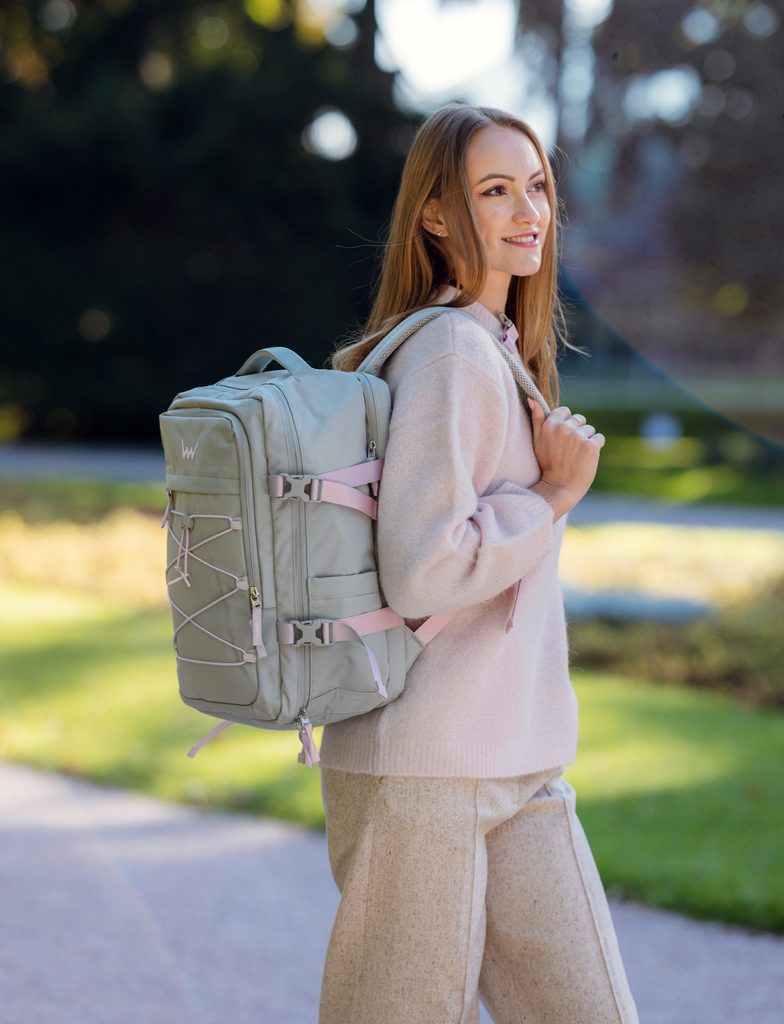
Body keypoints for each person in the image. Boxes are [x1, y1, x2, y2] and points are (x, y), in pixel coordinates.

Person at [318, 103, 640, 1024]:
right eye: (495, 190)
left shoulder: (496, 347)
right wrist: (551, 496)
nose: (528, 210)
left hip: (518, 757)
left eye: (536, 186)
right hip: (427, 768)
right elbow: (425, 568)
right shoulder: (451, 350)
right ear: (434, 213)